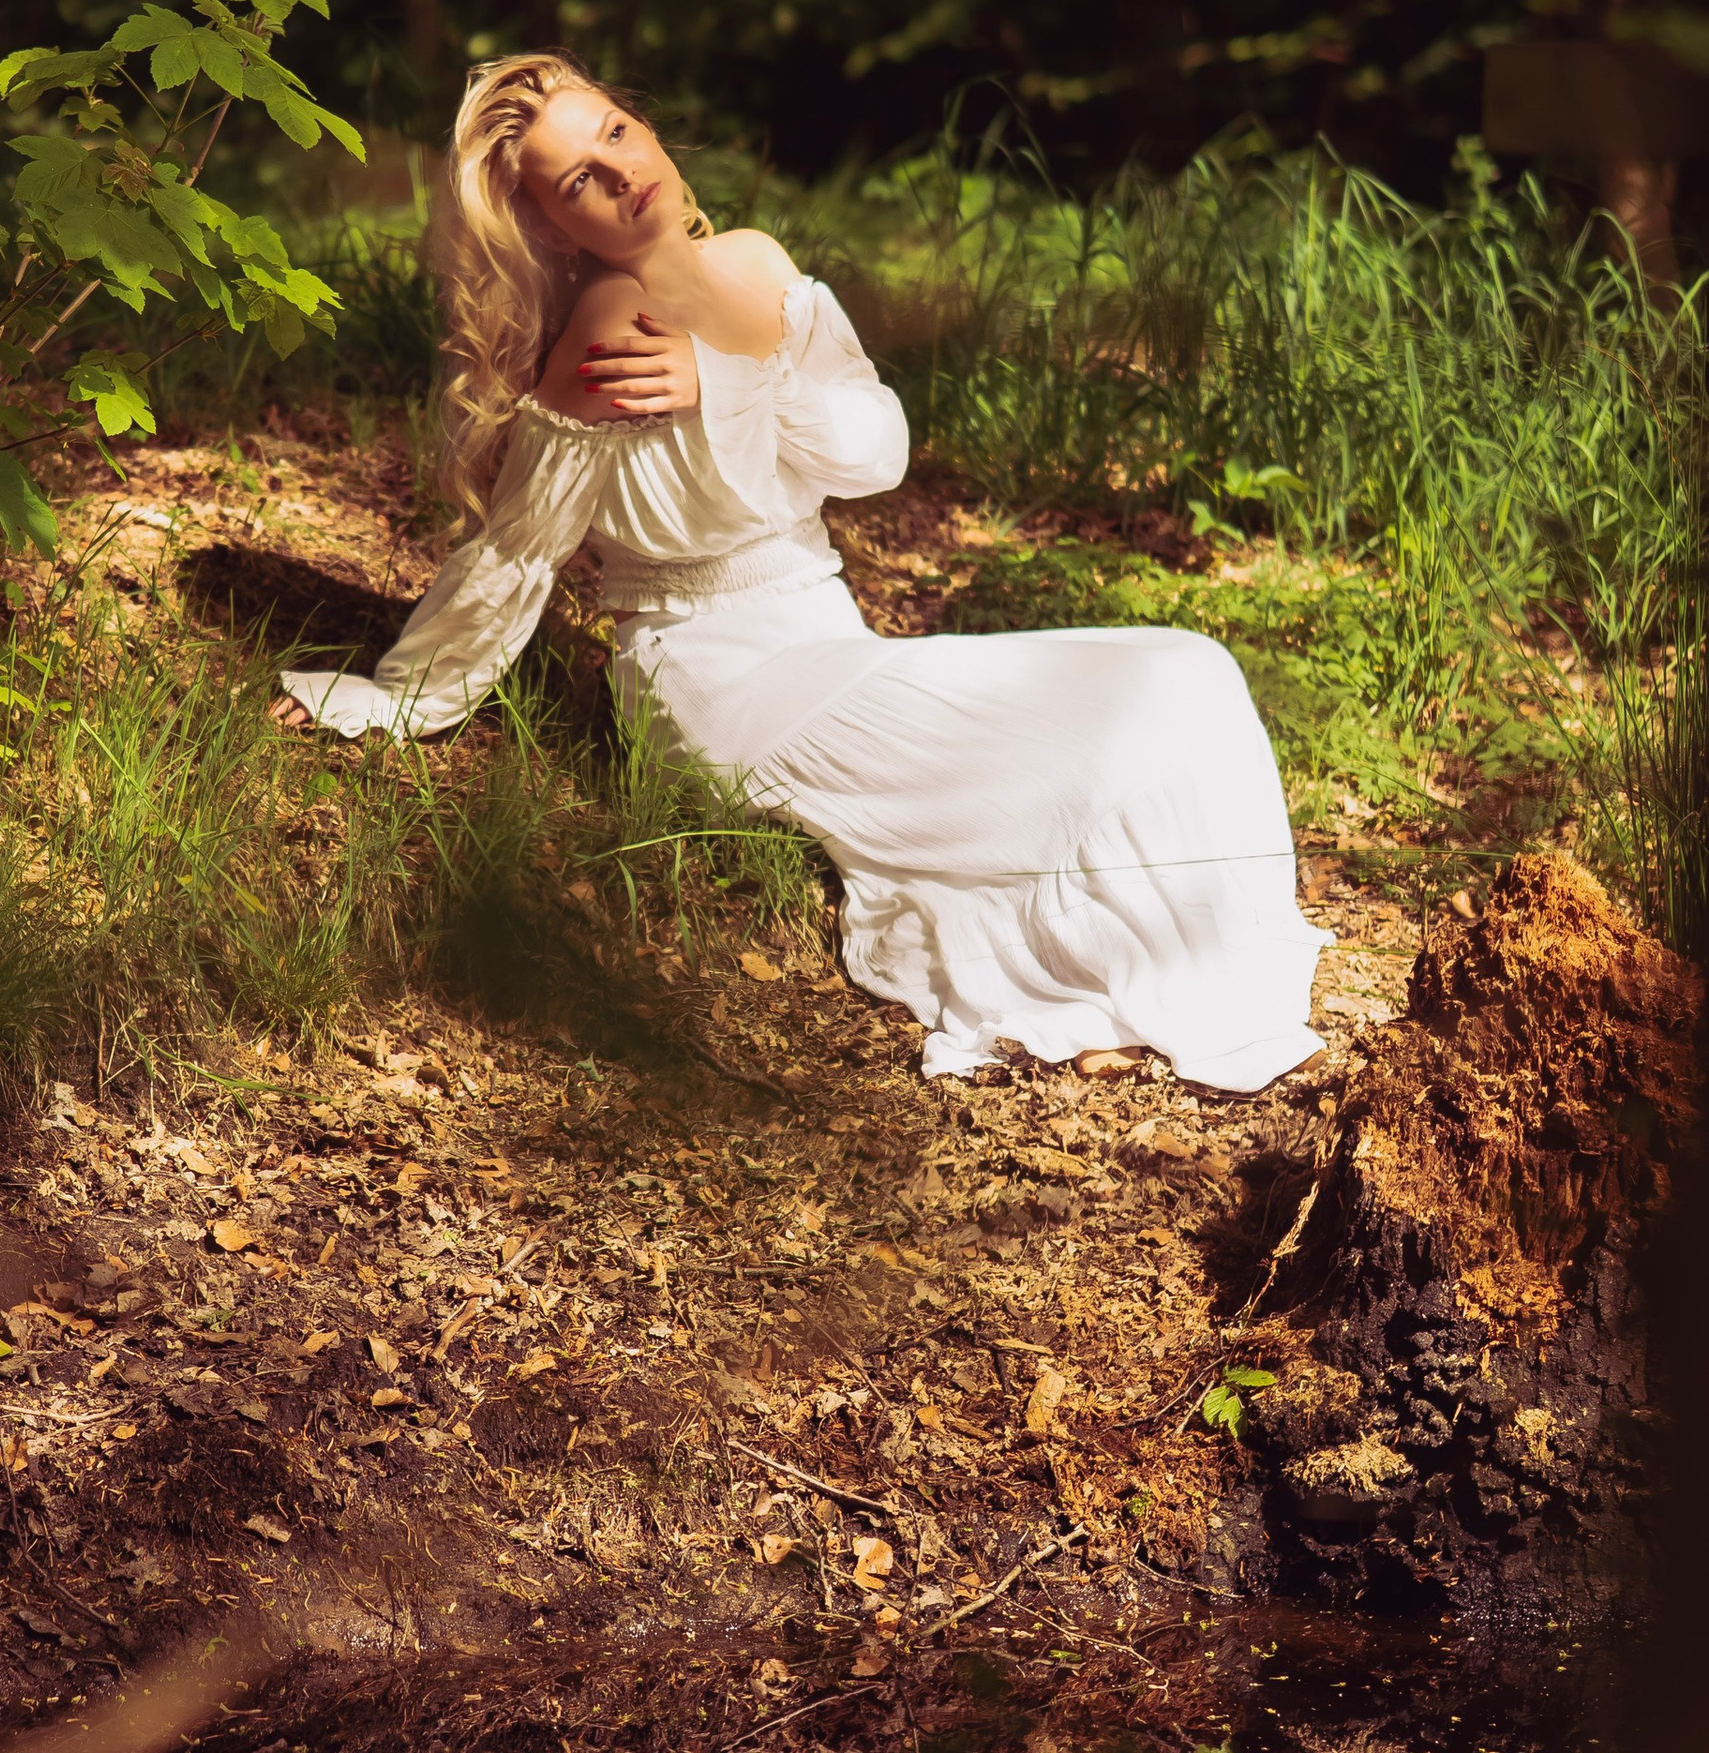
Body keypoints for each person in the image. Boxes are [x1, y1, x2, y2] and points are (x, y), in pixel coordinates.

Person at [278, 57, 1327, 1091]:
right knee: (1140, 706)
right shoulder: (608, 325)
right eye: (575, 181)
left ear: (641, 125)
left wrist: (733, 378)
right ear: (555, 226)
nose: (617, 170)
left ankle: (1160, 967)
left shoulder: (757, 260)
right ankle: (1129, 979)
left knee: (1186, 669)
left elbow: (875, 452)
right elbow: (521, 544)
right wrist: (400, 696)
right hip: (717, 679)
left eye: (611, 133)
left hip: (826, 639)